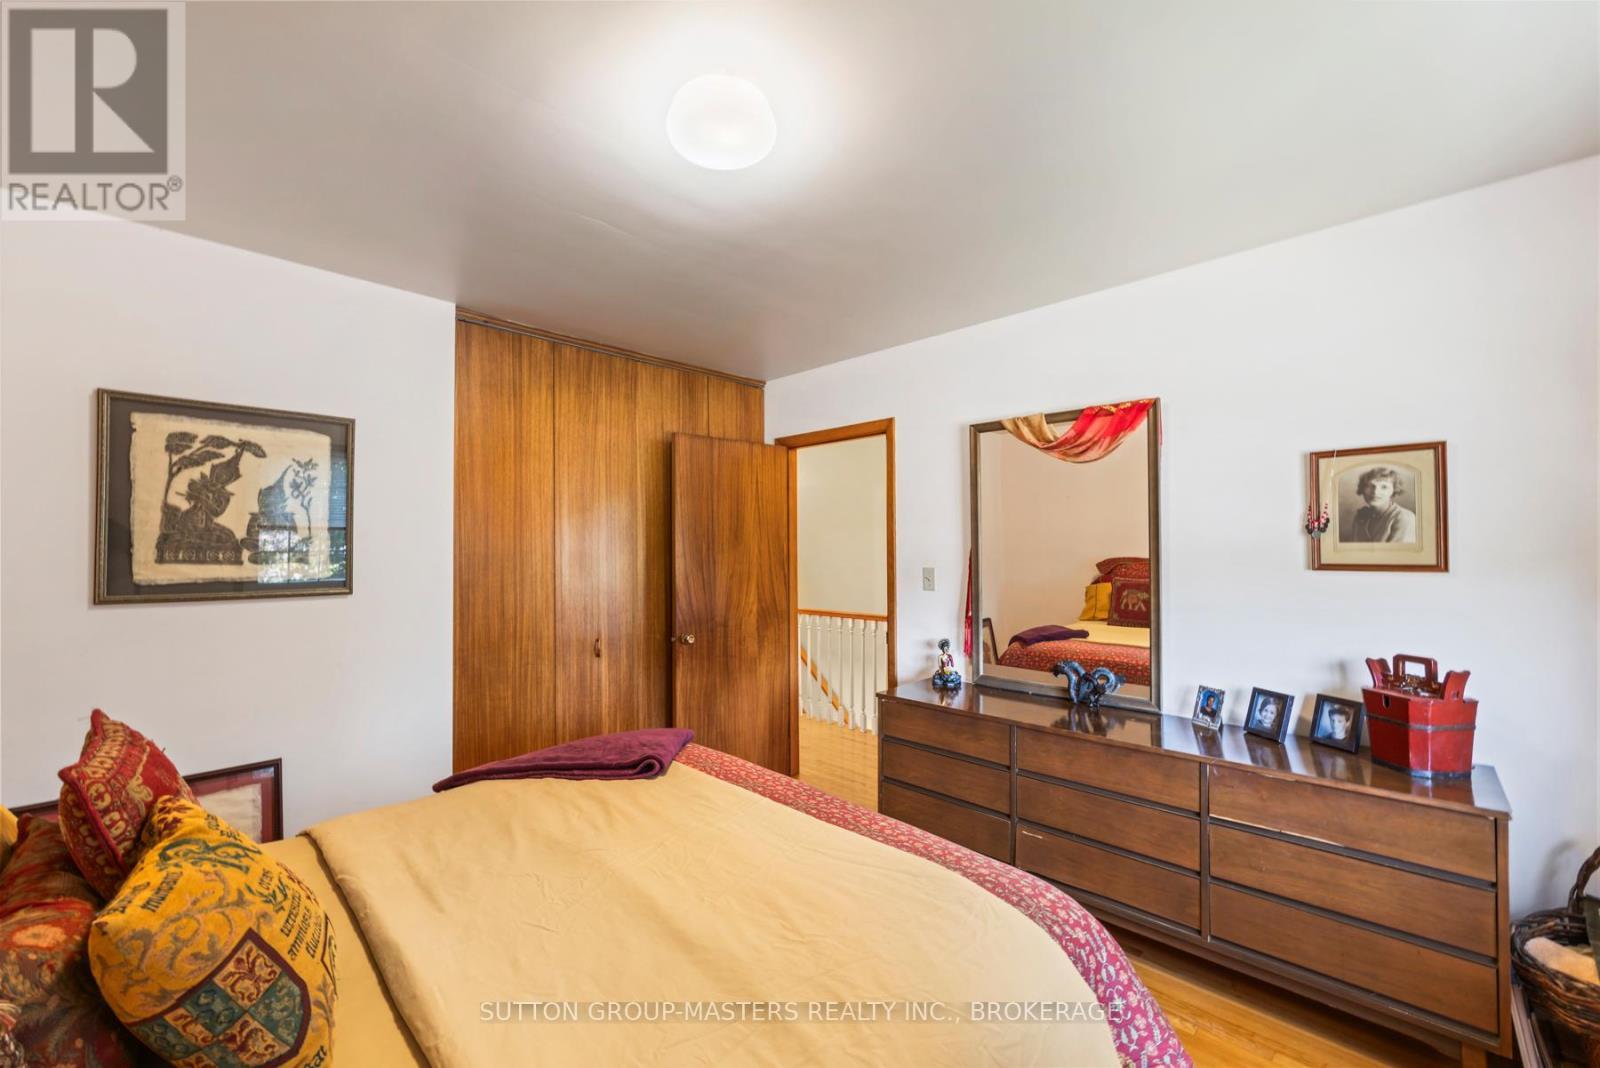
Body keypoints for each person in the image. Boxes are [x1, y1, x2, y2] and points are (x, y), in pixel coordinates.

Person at [1348, 466, 1418, 543]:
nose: (1375, 492)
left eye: (1384, 487)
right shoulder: (1360, 517)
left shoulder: (1405, 518)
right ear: (1363, 488)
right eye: (1370, 486)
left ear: (1394, 490)